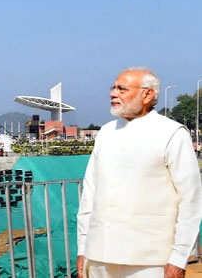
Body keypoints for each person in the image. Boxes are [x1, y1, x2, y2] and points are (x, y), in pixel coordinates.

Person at [76, 67, 202, 278]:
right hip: (99, 255)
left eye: (122, 89)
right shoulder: (105, 133)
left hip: (149, 259)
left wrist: (179, 257)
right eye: (113, 88)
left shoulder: (172, 133)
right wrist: (83, 248)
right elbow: (89, 196)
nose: (113, 94)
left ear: (147, 94)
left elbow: (190, 200)